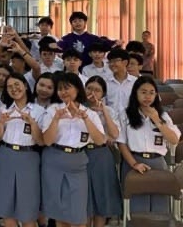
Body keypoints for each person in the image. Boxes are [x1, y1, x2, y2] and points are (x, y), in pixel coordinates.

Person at [41, 72, 105, 227]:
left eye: (67, 88)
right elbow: (47, 141)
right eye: (60, 89)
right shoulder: (52, 110)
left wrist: (85, 118)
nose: (63, 92)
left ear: (77, 89)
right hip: (54, 161)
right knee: (59, 211)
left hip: (77, 163)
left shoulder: (89, 113)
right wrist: (56, 119)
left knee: (78, 213)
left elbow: (100, 140)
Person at [117, 76, 181, 213]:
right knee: (136, 209)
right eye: (143, 92)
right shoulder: (126, 114)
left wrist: (157, 120)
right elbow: (122, 144)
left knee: (160, 207)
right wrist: (134, 164)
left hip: (158, 162)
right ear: (136, 93)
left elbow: (174, 140)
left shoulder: (163, 115)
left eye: (152, 92)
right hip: (134, 162)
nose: (148, 96)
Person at [0, 73, 45, 227]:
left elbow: (41, 141)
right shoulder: (3, 108)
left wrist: (32, 123)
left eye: (17, 84)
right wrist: (1, 123)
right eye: (9, 86)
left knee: (27, 206)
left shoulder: (38, 110)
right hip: (6, 154)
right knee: (6, 205)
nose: (14, 89)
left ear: (25, 85)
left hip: (28, 157)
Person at [84, 76, 122, 227]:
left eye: (97, 90)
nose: (92, 93)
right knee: (85, 200)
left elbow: (114, 134)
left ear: (103, 94)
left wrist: (104, 111)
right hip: (82, 154)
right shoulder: (78, 108)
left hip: (102, 154)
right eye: (89, 89)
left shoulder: (110, 111)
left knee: (102, 196)